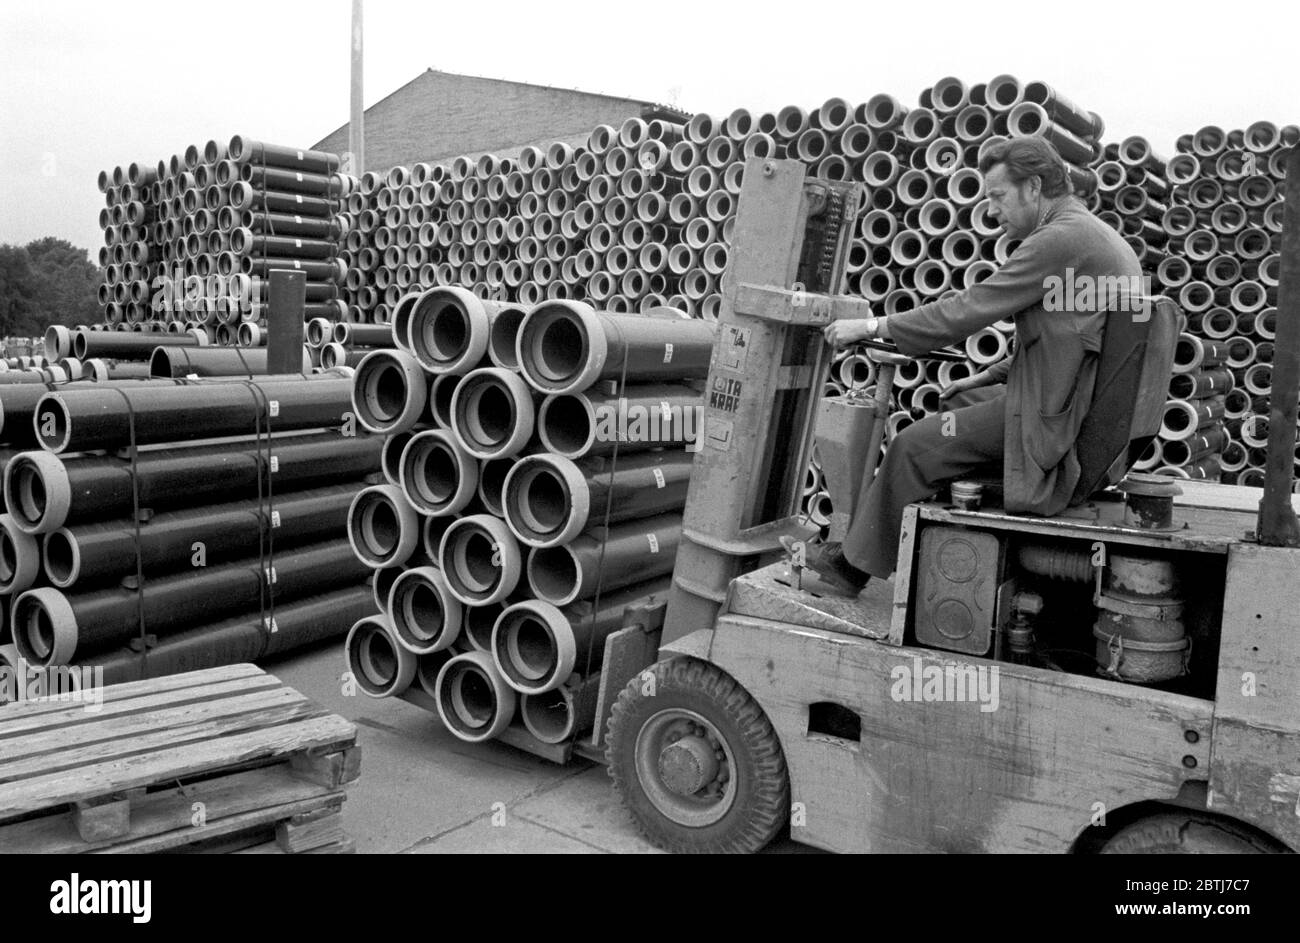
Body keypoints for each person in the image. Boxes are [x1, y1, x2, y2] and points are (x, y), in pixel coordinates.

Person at [803, 136, 1143, 593]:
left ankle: (849, 568)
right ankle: (925, 533)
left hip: (1058, 423)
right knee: (961, 396)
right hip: (1074, 405)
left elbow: (969, 307)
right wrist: (987, 374)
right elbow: (1065, 341)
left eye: (999, 197)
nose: (993, 210)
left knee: (912, 447)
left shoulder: (1061, 240)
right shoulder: (1095, 236)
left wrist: (869, 327)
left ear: (1034, 187)